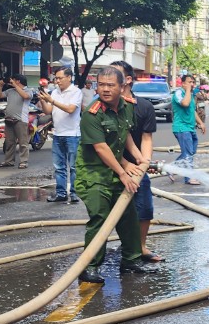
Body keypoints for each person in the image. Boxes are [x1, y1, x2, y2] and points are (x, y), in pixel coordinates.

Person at [75, 66, 149, 285]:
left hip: (115, 168)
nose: (105, 89)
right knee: (100, 219)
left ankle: (131, 261)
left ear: (122, 86)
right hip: (94, 174)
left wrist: (137, 158)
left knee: (128, 216)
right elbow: (101, 148)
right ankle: (89, 267)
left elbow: (124, 135)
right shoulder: (92, 113)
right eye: (101, 85)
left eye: (110, 85)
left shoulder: (126, 107)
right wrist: (123, 172)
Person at [114, 59, 162, 262]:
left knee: (144, 208)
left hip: (136, 168)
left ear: (128, 80)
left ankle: (140, 246)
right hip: (109, 165)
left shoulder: (143, 107)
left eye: (114, 75)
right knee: (111, 212)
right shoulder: (105, 107)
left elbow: (146, 138)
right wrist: (125, 166)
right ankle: (121, 249)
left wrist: (144, 164)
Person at [38, 66, 83, 204]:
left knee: (74, 166)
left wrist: (51, 101)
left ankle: (74, 193)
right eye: (56, 78)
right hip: (57, 133)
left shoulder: (76, 92)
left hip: (72, 134)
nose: (57, 81)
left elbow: (70, 109)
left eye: (60, 78)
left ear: (69, 77)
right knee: (59, 167)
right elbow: (48, 111)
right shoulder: (55, 92)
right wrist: (43, 99)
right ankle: (61, 193)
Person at [171, 73, 205, 185]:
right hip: (181, 127)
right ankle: (189, 178)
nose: (192, 84)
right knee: (188, 153)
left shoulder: (189, 94)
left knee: (191, 152)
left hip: (190, 128)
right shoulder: (179, 93)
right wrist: (188, 91)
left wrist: (200, 123)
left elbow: (192, 110)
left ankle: (171, 168)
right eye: (189, 82)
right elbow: (185, 104)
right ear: (183, 83)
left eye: (193, 82)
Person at [0, 73, 32, 169]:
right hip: (9, 119)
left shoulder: (28, 90)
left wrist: (15, 86)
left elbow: (25, 96)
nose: (11, 82)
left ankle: (23, 161)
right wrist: (0, 86)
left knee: (23, 142)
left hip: (21, 120)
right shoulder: (10, 91)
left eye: (13, 80)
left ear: (18, 81)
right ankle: (9, 161)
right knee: (9, 142)